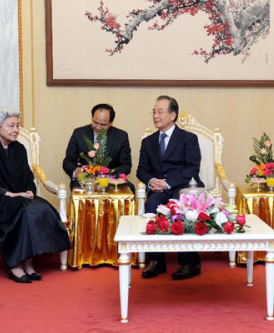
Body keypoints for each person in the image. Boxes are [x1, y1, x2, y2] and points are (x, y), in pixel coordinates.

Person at [0, 107, 71, 283]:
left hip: (18, 195)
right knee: (18, 209)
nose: (16, 130)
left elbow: (27, 176)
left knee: (41, 207)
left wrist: (29, 189)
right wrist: (7, 193)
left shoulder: (19, 149)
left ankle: (29, 262)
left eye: (17, 125)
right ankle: (14, 264)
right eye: (10, 126)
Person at [137, 95, 204, 280]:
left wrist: (167, 182)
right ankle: (157, 261)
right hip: (158, 189)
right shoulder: (148, 142)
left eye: (160, 112)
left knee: (180, 206)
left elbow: (192, 167)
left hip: (181, 186)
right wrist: (151, 181)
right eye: (154, 112)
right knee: (151, 205)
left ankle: (190, 261)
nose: (155, 116)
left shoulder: (188, 138)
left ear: (173, 114)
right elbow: (141, 170)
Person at [62, 103, 134, 193]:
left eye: (103, 125)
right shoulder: (79, 134)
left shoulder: (121, 136)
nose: (98, 127)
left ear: (111, 122)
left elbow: (126, 166)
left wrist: (107, 176)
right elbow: (68, 161)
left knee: (130, 188)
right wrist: (75, 172)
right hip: (85, 180)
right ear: (92, 118)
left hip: (111, 180)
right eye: (95, 123)